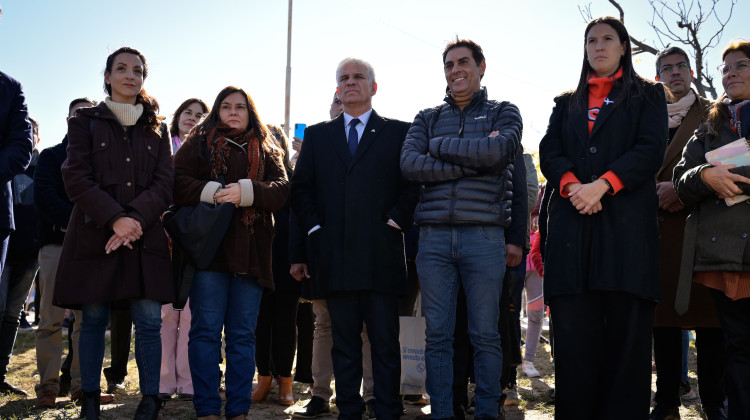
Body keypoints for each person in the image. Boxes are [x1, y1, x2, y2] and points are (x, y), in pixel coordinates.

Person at [539, 16, 668, 419]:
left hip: (626, 241)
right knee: (575, 350)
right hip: (571, 241)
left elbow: (649, 151)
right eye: (591, 40)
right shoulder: (566, 102)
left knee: (626, 350)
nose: (598, 46)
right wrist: (575, 186)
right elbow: (550, 151)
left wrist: (604, 185)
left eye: (607, 39)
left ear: (624, 47)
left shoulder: (649, 96)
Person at [400, 39, 522, 420]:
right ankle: (443, 414)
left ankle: (486, 411)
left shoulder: (505, 111)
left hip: (484, 237)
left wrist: (438, 149)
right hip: (433, 238)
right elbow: (409, 165)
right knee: (437, 336)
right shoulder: (427, 117)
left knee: (485, 335)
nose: (456, 70)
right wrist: (474, 162)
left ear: (481, 66)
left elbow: (499, 152)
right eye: (449, 65)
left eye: (463, 62)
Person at [291, 58, 417, 420]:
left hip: (381, 256)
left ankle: (388, 410)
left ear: (373, 87)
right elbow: (301, 190)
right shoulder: (318, 135)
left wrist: (395, 222)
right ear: (337, 88)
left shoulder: (398, 132)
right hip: (334, 258)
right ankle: (348, 411)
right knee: (343, 344)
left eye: (358, 77)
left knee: (384, 344)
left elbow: (412, 187)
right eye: (343, 78)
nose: (350, 82)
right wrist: (316, 229)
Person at [53, 47, 174, 420]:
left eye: (137, 70)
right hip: (95, 236)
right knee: (92, 320)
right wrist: (115, 220)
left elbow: (164, 183)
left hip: (145, 237)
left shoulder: (158, 126)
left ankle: (150, 399)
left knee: (150, 323)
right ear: (107, 76)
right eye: (121, 69)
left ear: (143, 79)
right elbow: (75, 177)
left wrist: (133, 220)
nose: (130, 76)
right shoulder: (85, 121)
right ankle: (89, 397)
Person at [173, 86, 289, 420]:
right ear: (217, 112)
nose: (233, 112)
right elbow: (176, 180)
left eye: (240, 107)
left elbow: (282, 190)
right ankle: (207, 407)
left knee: (241, 335)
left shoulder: (268, 147)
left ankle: (238, 409)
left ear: (251, 112)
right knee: (206, 332)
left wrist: (247, 192)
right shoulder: (199, 141)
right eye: (226, 107)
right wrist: (213, 192)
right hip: (209, 252)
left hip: (251, 253)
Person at [673, 38, 750, 420]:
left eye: (740, 65)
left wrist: (736, 174)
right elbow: (680, 180)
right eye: (725, 68)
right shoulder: (708, 126)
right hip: (724, 257)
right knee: (737, 345)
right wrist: (705, 175)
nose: (730, 73)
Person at [290, 92, 378, 420]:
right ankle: (319, 395)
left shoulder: (375, 141)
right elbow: (301, 202)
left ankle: (370, 396)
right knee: (323, 324)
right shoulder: (317, 142)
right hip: (323, 254)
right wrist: (298, 255)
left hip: (366, 255)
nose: (344, 109)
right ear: (331, 110)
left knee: (368, 326)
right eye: (337, 104)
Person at [651, 46, 726, 420]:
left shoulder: (714, 112)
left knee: (710, 319)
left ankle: (713, 399)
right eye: (667, 68)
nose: (675, 72)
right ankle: (665, 401)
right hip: (654, 229)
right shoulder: (644, 115)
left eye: (682, 66)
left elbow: (726, 162)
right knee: (662, 320)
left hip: (702, 226)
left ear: (693, 73)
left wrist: (683, 191)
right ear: (657, 77)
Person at [159, 98, 208, 402]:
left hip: (198, 239)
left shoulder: (210, 152)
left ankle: (188, 382)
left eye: (200, 115)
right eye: (188, 113)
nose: (192, 118)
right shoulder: (161, 149)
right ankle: (164, 382)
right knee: (165, 315)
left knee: (192, 315)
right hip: (163, 238)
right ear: (177, 118)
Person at [251, 124, 300, 406]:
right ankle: (263, 380)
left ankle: (285, 383)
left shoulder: (294, 180)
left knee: (285, 322)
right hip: (257, 260)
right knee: (260, 323)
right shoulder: (252, 179)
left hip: (288, 261)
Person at [0, 117, 39, 397]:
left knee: (13, 314)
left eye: (32, 133)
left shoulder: (45, 167)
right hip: (4, 251)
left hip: (30, 254)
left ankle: (1, 374)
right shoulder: (6, 165)